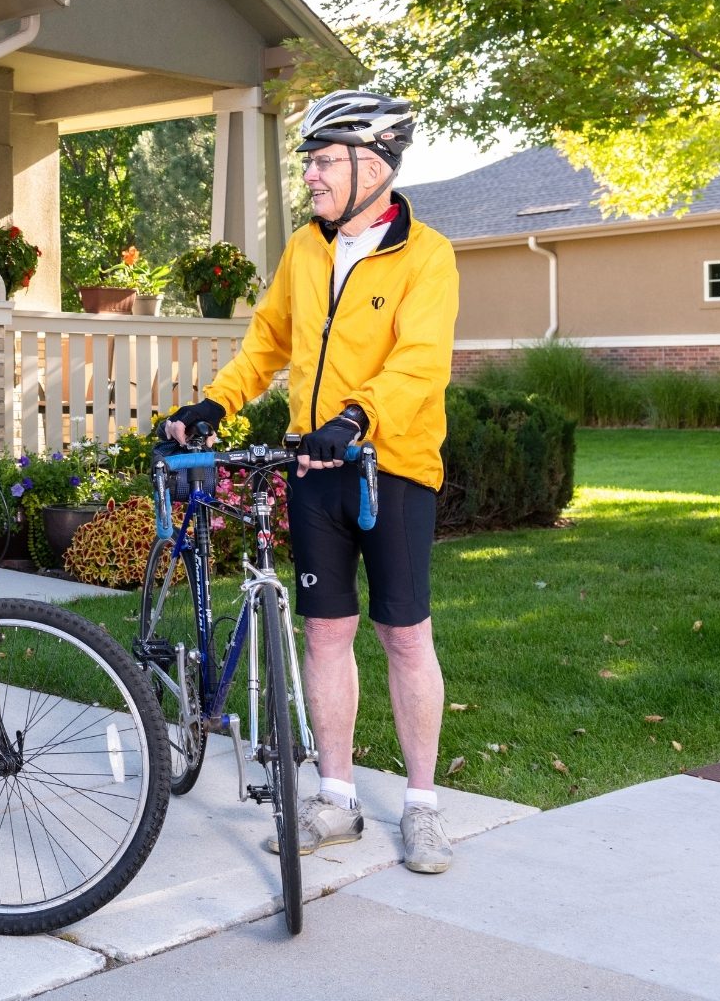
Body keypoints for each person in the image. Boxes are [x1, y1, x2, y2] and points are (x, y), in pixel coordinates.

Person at [164, 89, 460, 874]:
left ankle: (423, 808)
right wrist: (214, 403)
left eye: (325, 161)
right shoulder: (305, 249)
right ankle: (336, 797)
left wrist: (359, 418)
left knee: (404, 634)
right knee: (325, 630)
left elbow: (422, 361)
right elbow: (267, 344)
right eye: (312, 163)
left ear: (375, 164)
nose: (314, 178)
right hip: (311, 468)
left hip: (389, 470)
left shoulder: (427, 254)